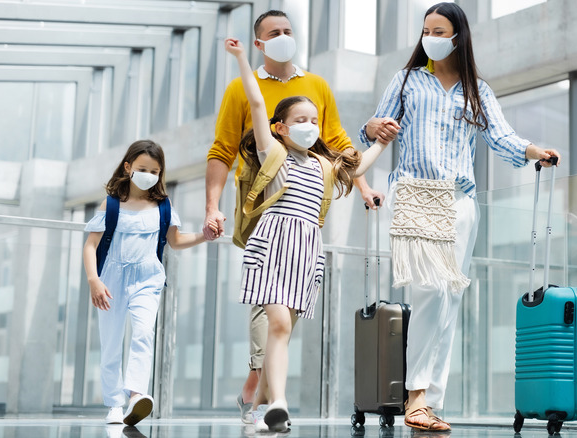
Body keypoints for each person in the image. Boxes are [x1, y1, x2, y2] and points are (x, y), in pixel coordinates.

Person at [360, 2, 561, 432]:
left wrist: (534, 152)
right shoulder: (407, 80)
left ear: (457, 37)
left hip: (461, 201)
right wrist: (374, 126)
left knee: (449, 299)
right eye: (425, 29)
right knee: (431, 290)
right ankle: (415, 396)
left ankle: (430, 401)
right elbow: (373, 128)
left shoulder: (476, 90)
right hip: (416, 191)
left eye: (439, 30)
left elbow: (501, 137)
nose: (430, 36)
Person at [203, 10, 386, 425]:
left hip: (306, 248)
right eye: (274, 32)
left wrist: (374, 157)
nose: (309, 126)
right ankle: (273, 401)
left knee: (285, 328)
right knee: (276, 321)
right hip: (270, 234)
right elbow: (231, 134)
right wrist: (239, 62)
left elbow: (347, 157)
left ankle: (260, 398)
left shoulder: (320, 147)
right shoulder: (274, 149)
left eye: (288, 30)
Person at [82, 140, 215, 425]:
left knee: (143, 333)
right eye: (143, 168)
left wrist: (204, 235)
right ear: (128, 167)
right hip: (111, 280)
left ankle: (135, 396)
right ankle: (114, 404)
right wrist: (94, 280)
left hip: (148, 278)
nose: (149, 175)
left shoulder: (163, 206)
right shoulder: (112, 204)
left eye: (155, 171)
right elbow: (91, 245)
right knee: (111, 342)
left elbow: (176, 241)